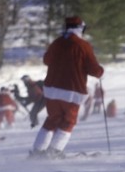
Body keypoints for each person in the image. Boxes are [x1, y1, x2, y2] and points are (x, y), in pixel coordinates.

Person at [30, 16, 104, 158]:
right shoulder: (83, 45)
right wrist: (100, 71)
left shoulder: (57, 42)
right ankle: (54, 151)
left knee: (52, 119)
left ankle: (37, 152)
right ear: (81, 28)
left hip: (52, 89)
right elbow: (94, 69)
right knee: (68, 121)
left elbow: (46, 60)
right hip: (72, 90)